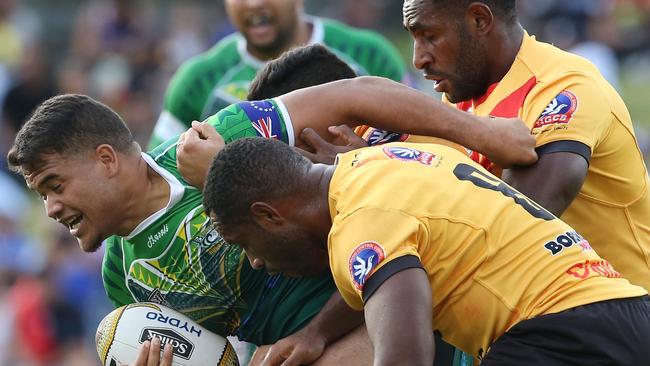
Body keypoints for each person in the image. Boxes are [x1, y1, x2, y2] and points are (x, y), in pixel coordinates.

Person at [7, 78, 535, 365]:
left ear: (106, 159)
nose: (50, 209)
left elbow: (352, 95)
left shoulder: (210, 143)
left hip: (383, 305)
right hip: (302, 348)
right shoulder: (124, 276)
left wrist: (483, 133)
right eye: (42, 195)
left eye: (55, 185)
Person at [203, 137, 650, 365]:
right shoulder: (383, 160)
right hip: (623, 309)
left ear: (268, 215)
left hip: (557, 337)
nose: (256, 261)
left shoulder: (359, 227)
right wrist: (316, 332)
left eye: (244, 244)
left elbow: (406, 357)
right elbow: (392, 275)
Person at [400, 0, 650, 290]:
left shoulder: (565, 86)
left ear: (479, 20)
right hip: (542, 308)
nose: (418, 59)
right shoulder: (464, 99)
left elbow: (518, 224)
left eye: (430, 36)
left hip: (626, 309)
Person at [147, 0, 409, 148]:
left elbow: (417, 142)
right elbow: (162, 181)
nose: (254, 3)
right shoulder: (197, 80)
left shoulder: (370, 55)